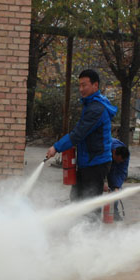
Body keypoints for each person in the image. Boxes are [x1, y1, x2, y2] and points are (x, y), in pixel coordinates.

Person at [46, 69, 117, 212]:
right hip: (88, 162)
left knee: (90, 205)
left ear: (95, 85)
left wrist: (56, 147)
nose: (81, 89)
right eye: (79, 85)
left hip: (96, 163)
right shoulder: (91, 104)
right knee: (77, 199)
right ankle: (79, 225)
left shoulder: (96, 109)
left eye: (84, 85)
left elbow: (78, 134)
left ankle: (90, 226)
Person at [107, 139, 130, 220]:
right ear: (114, 152)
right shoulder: (106, 147)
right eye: (117, 160)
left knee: (114, 190)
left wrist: (117, 186)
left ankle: (114, 213)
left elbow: (122, 171)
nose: (119, 162)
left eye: (121, 161)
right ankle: (95, 212)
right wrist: (102, 182)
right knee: (97, 188)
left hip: (113, 168)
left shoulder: (125, 155)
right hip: (102, 164)